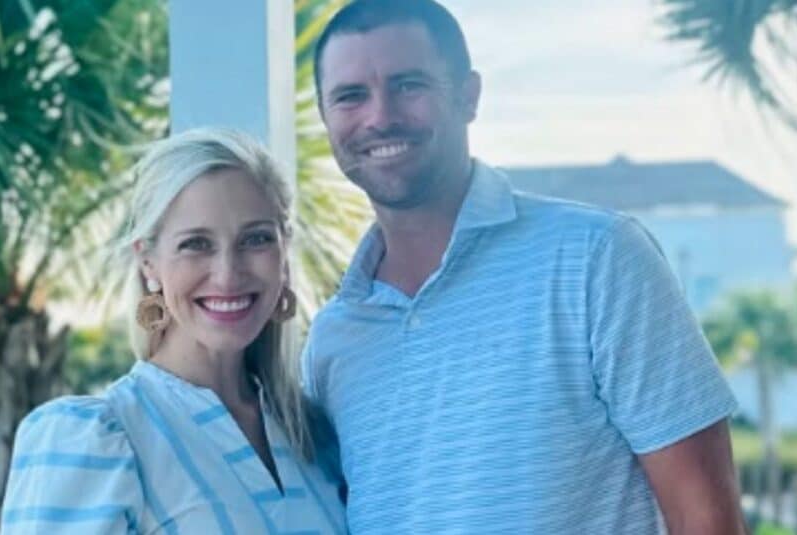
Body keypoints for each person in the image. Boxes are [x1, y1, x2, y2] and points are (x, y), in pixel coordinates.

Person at [302, 1, 746, 533]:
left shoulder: (597, 259)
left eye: (409, 84)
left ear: (468, 96)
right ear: (327, 115)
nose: (380, 116)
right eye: (351, 96)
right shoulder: (333, 340)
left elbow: (709, 522)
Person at [0, 128, 346, 534]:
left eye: (256, 239)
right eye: (196, 244)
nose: (228, 274)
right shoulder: (96, 438)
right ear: (148, 262)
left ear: (283, 252)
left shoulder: (314, 433)